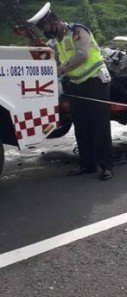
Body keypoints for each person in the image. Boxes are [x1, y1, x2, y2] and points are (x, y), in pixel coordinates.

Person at [28, 2, 114, 181]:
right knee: (81, 126)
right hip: (76, 84)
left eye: (47, 28)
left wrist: (60, 70)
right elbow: (46, 51)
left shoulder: (78, 31)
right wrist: (29, 36)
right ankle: (87, 164)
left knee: (99, 125)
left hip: (95, 82)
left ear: (54, 22)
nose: (47, 32)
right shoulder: (56, 41)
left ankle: (106, 166)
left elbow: (82, 55)